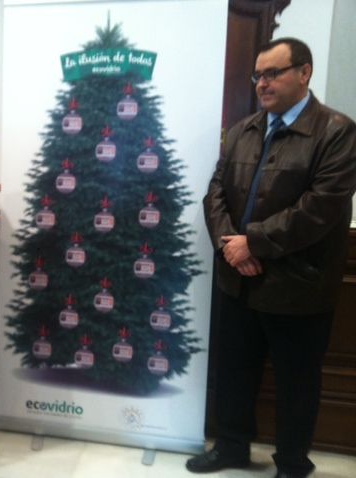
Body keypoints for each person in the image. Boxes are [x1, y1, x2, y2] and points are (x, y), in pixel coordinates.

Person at [187, 38, 356, 478]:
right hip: (238, 277)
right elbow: (215, 192)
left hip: (298, 284)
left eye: (273, 73)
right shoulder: (243, 130)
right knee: (233, 371)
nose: (262, 83)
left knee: (296, 381)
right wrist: (230, 245)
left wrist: (254, 243)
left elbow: (320, 208)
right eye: (258, 75)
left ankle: (293, 463)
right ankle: (231, 447)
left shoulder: (337, 131)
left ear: (304, 73)